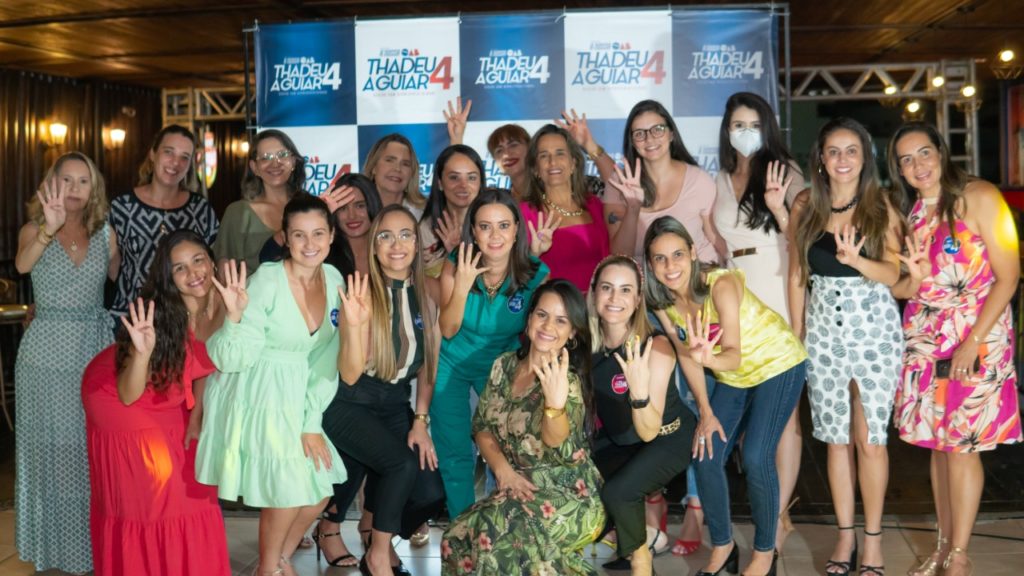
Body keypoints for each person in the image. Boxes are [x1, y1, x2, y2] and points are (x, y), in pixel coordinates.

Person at [888, 122, 1021, 576]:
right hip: (926, 342)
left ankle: (960, 555)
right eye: (906, 160)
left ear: (942, 152)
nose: (918, 165)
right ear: (899, 170)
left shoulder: (979, 196)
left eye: (924, 153)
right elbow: (905, 288)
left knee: (962, 445)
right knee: (938, 446)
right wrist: (913, 278)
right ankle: (943, 546)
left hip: (976, 339)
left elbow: (1009, 275)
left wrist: (973, 341)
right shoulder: (911, 214)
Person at [645, 216, 807, 576]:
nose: (670, 267)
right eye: (660, 258)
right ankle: (723, 546)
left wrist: (709, 359)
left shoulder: (721, 284)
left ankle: (764, 554)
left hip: (778, 363)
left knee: (756, 455)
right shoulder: (663, 302)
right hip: (734, 376)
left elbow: (731, 353)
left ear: (692, 252)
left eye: (677, 254)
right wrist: (705, 412)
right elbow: (687, 356)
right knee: (705, 453)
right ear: (651, 264)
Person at [195, 195, 347, 576]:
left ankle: (278, 559)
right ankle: (269, 568)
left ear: (331, 236)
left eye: (318, 233)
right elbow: (232, 359)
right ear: (285, 237)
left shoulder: (334, 279)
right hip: (257, 390)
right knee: (286, 493)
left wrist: (311, 420)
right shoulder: (266, 279)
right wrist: (233, 318)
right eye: (299, 235)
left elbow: (326, 358)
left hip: (298, 394)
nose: (309, 244)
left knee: (319, 490)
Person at [789, 117, 904, 576]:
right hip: (823, 333)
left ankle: (873, 541)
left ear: (865, 157)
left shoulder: (881, 206)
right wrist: (798, 332)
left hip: (874, 328)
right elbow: (797, 274)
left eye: (851, 150)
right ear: (820, 158)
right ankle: (845, 536)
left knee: (870, 440)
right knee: (836, 441)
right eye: (833, 151)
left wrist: (857, 261)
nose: (842, 159)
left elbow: (895, 275)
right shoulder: (805, 204)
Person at [81, 231, 230, 576]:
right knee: (155, 498)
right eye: (179, 268)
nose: (193, 273)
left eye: (198, 260)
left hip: (170, 390)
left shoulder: (227, 300)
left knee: (192, 486)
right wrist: (143, 353)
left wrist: (197, 417)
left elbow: (208, 366)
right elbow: (128, 394)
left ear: (211, 260)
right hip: (120, 391)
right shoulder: (161, 315)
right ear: (169, 278)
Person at [441, 280, 605, 575]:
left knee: (495, 541)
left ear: (572, 333)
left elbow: (557, 444)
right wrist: (503, 471)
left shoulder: (565, 381)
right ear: (529, 319)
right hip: (516, 487)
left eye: (561, 320)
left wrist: (554, 406)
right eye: (542, 314)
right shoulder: (503, 365)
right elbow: (482, 427)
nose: (548, 326)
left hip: (567, 494)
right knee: (455, 536)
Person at [324, 206, 446, 575]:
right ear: (374, 246)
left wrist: (420, 421)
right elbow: (348, 375)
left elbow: (428, 366)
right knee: (400, 464)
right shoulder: (359, 291)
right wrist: (355, 327)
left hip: (395, 402)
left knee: (430, 492)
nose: (396, 245)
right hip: (350, 402)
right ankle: (378, 554)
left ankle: (377, 534)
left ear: (417, 243)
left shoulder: (428, 292)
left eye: (406, 234)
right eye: (385, 236)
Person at [13, 152, 118, 574]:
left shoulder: (106, 233)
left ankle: (94, 546)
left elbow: (118, 280)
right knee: (51, 454)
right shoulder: (33, 229)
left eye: (83, 181)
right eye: (66, 179)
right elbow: (22, 265)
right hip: (44, 357)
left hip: (94, 352)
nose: (74, 188)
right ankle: (54, 547)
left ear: (94, 189)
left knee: (91, 451)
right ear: (51, 183)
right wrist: (48, 228)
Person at [433, 188, 550, 519]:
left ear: (516, 230)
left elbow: (541, 334)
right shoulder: (456, 263)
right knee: (455, 452)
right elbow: (448, 329)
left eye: (503, 225)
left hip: (502, 366)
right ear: (473, 231)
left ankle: (499, 524)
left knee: (506, 450)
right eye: (485, 226)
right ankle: (461, 530)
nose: (494, 235)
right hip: (452, 364)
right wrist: (462, 284)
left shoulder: (537, 274)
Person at [589, 256, 694, 575]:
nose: (614, 298)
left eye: (625, 290)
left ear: (637, 300)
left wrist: (638, 393)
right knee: (574, 476)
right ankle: (634, 536)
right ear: (594, 292)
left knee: (620, 492)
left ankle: (641, 562)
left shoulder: (656, 348)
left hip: (668, 438)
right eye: (607, 288)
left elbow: (649, 431)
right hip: (623, 437)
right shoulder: (587, 343)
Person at [109, 124, 219, 320]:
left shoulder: (200, 209)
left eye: (184, 157)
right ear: (153, 154)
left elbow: (212, 266)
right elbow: (111, 266)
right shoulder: (122, 207)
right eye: (169, 152)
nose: (176, 162)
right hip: (132, 318)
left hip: (185, 319)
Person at [606, 99, 723, 264]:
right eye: (639, 134)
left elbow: (715, 238)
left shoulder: (699, 180)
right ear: (632, 142)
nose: (649, 139)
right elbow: (621, 255)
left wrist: (735, 268)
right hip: (644, 279)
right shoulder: (619, 183)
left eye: (658, 130)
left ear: (671, 134)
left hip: (699, 273)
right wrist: (633, 208)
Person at [444, 98, 615, 200]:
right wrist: (456, 139)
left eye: (513, 145)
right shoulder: (499, 200)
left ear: (532, 150)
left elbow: (617, 186)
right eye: (499, 150)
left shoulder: (572, 185)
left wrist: (589, 144)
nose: (506, 153)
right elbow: (458, 197)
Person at [520, 124, 611, 294]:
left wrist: (591, 145)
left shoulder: (595, 205)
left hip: (600, 305)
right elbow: (516, 275)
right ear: (535, 169)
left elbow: (619, 186)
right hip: (557, 307)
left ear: (573, 163)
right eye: (543, 155)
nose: (552, 162)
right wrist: (533, 254)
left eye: (560, 153)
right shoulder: (525, 214)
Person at [215, 129, 307, 273]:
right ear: (254, 167)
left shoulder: (309, 207)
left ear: (293, 161)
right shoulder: (238, 212)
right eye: (265, 158)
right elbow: (224, 272)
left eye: (282, 155)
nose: (275, 163)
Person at [420, 144, 484, 278]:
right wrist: (453, 256)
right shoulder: (425, 230)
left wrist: (458, 252)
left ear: (480, 183)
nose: (463, 185)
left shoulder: (493, 223)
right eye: (454, 177)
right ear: (440, 183)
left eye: (471, 178)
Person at [326, 172, 384, 278]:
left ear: (373, 204)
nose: (352, 216)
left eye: (360, 206)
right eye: (343, 208)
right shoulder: (322, 255)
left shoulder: (390, 251)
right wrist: (319, 213)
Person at [363, 133, 427, 219]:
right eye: (389, 160)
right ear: (373, 167)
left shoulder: (426, 215)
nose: (397, 168)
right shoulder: (356, 210)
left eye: (405, 164)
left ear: (411, 173)